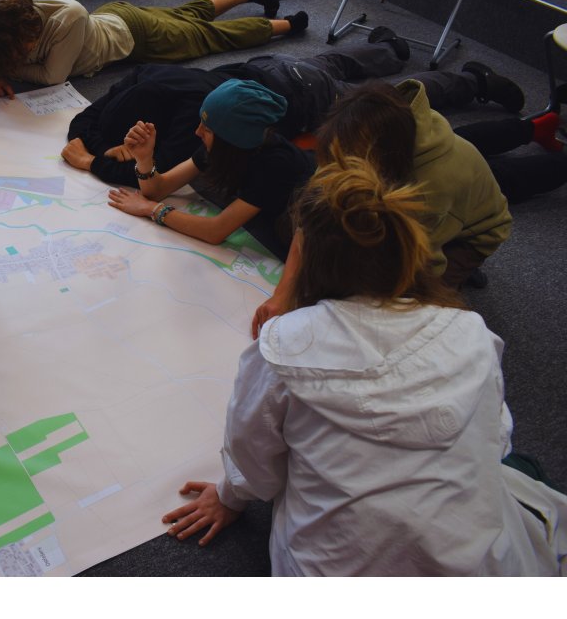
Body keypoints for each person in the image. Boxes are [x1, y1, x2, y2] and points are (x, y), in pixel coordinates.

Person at [161, 158, 567, 575]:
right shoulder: (471, 330)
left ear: (310, 261)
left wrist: (228, 497)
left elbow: (253, 457)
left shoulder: (285, 346)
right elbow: (496, 437)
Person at [252, 76, 567, 337]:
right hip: (425, 191)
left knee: (402, 313)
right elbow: (310, 218)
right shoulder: (355, 138)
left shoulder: (434, 186)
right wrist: (283, 293)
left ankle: (464, 268)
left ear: (379, 162)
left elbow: (417, 266)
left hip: (469, 234)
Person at [61, 27, 528, 189]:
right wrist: (101, 144)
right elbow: (86, 120)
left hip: (297, 97)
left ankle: (472, 81)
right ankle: (389, 47)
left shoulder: (194, 119)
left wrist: (94, 160)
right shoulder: (144, 80)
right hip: (269, 68)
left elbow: (156, 174)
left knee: (378, 99)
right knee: (328, 64)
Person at [0, 0, 310, 99]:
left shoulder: (68, 16)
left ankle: (287, 26)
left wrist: (1, 72)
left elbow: (53, 77)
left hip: (137, 38)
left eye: (15, 53)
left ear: (24, 38)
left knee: (207, 37)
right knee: (187, 14)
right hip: (115, 17)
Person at [104, 79, 314, 260]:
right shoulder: (223, 147)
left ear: (233, 139)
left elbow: (215, 231)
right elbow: (158, 190)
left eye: (207, 129)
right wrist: (144, 159)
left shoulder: (276, 165)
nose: (197, 132)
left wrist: (152, 209)